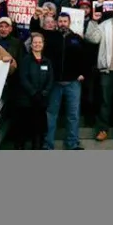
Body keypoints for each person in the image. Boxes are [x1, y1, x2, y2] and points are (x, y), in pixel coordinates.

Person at [40, 12, 90, 150]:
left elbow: (85, 57)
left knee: (73, 115)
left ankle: (72, 143)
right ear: (57, 23)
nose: (62, 23)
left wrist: (82, 73)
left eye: (65, 21)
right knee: (51, 114)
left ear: (69, 22)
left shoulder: (77, 38)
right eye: (60, 21)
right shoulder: (50, 37)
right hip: (54, 83)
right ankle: (48, 144)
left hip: (73, 83)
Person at [84, 0, 113, 143]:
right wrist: (93, 21)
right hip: (107, 70)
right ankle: (103, 130)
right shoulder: (105, 25)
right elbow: (91, 38)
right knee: (105, 101)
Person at [17, 32, 54, 149]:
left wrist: (44, 93)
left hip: (41, 101)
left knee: (39, 130)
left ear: (43, 44)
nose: (37, 44)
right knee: (24, 128)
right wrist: (33, 93)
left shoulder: (47, 61)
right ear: (31, 45)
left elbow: (50, 79)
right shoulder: (26, 60)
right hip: (27, 101)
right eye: (35, 42)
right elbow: (23, 78)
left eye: (40, 42)